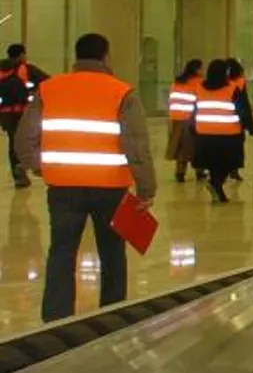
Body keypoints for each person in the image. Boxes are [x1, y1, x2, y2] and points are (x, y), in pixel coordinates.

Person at [16, 32, 157, 322]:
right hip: (111, 188)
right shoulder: (122, 92)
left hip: (63, 188)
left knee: (62, 253)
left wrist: (41, 167)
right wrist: (146, 190)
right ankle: (112, 317)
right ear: (105, 57)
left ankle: (56, 321)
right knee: (112, 254)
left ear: (77, 57)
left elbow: (23, 140)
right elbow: (137, 146)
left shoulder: (49, 88)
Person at [191, 59, 249, 203]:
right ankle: (216, 185)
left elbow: (194, 110)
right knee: (228, 163)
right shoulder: (232, 88)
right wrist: (250, 126)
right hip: (228, 134)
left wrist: (193, 128)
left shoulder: (199, 88)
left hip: (204, 133)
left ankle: (216, 187)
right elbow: (242, 109)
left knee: (213, 163)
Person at [0, 44, 51, 189]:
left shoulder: (2, 70)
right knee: (34, 138)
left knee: (13, 141)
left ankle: (19, 177)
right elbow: (48, 82)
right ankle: (24, 166)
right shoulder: (26, 69)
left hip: (5, 113)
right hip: (23, 112)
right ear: (22, 55)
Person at [166, 59, 202, 183]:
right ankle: (199, 171)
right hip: (190, 119)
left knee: (180, 147)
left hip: (175, 118)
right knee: (194, 147)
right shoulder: (198, 82)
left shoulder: (177, 82)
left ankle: (179, 173)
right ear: (196, 69)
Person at [228, 59, 253, 181]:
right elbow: (243, 105)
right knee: (236, 147)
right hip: (235, 123)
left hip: (215, 123)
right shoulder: (239, 83)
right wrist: (250, 126)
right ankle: (233, 169)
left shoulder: (216, 83)